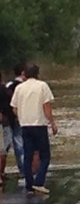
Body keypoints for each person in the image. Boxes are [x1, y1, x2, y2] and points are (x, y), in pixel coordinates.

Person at [10, 63, 58, 195]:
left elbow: (14, 108)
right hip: (39, 125)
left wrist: (22, 116)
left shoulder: (19, 88)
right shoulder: (42, 86)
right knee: (45, 156)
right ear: (38, 73)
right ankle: (39, 181)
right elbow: (46, 107)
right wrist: (52, 123)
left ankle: (29, 185)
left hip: (25, 126)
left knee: (28, 155)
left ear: (24, 73)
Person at [0, 64, 27, 180]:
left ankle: (3, 172)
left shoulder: (9, 85)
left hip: (8, 119)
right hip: (19, 118)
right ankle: (24, 170)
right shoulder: (24, 86)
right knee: (19, 144)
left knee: (6, 145)